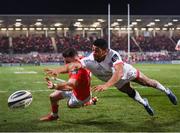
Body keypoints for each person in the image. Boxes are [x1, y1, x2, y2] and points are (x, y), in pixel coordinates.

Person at [45, 39, 178, 116]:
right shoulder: (89, 59)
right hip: (115, 80)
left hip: (125, 73)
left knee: (147, 82)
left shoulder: (113, 55)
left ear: (105, 51)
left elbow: (119, 73)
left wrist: (106, 85)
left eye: (97, 50)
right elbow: (73, 66)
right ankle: (145, 103)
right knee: (130, 92)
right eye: (93, 49)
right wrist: (58, 70)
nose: (94, 52)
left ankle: (166, 91)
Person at [40, 48, 98, 121]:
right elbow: (68, 69)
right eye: (64, 61)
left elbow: (69, 86)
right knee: (53, 97)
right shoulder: (80, 60)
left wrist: (54, 86)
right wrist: (58, 71)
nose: (65, 63)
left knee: (69, 105)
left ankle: (89, 102)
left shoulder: (78, 70)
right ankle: (54, 116)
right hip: (76, 89)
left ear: (74, 58)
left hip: (80, 97)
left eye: (67, 61)